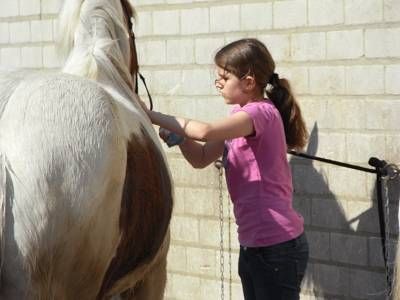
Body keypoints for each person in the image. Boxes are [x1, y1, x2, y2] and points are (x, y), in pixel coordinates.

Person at [141, 38, 309, 300]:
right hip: (254, 245)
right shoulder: (238, 119)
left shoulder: (260, 113)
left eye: (224, 76)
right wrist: (183, 140)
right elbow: (202, 157)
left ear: (249, 82)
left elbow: (205, 132)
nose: (218, 82)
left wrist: (149, 114)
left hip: (276, 246)